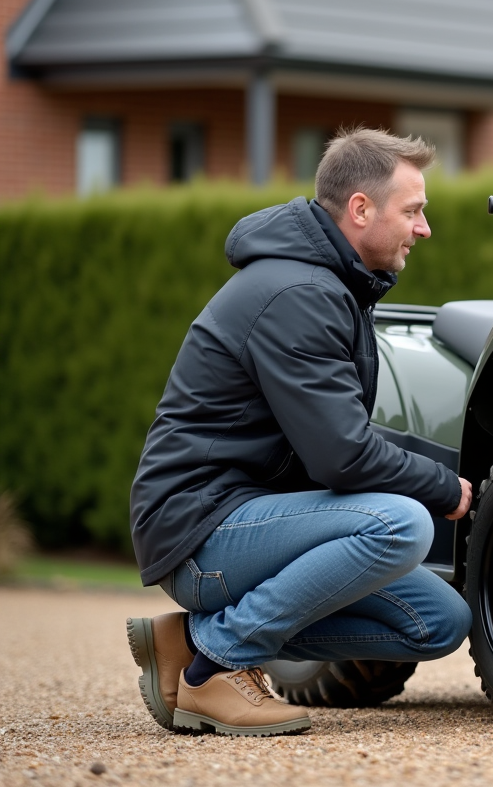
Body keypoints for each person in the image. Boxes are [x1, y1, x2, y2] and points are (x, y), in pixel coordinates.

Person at [126, 128, 473, 737]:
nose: (424, 229)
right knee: (402, 522)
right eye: (413, 211)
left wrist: (447, 477)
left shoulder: (328, 286)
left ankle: (186, 639)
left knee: (439, 621)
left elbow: (335, 444)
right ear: (361, 209)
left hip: (248, 516)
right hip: (200, 527)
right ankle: (217, 666)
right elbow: (342, 456)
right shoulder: (298, 293)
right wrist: (443, 488)